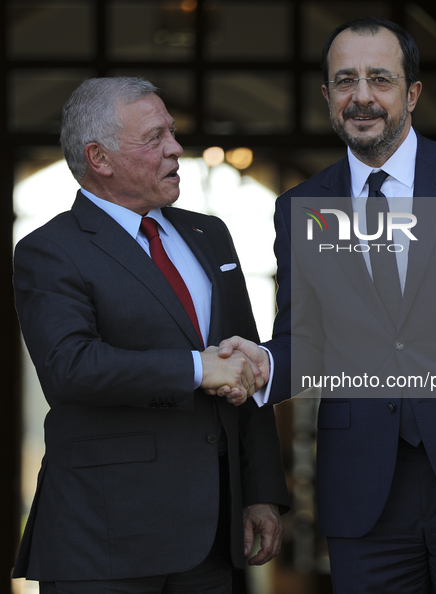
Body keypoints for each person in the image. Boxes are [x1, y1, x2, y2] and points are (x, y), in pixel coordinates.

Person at [217, 17, 436, 594]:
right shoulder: (301, 206)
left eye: (379, 79)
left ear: (411, 93)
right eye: (345, 81)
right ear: (327, 96)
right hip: (365, 491)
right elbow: (304, 340)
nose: (362, 96)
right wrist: (262, 366)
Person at [12, 77, 289, 594]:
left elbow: (244, 363)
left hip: (211, 537)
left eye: (174, 133)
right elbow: (70, 367)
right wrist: (196, 367)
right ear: (100, 157)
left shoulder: (210, 233)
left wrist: (260, 492)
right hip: (104, 535)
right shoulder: (48, 250)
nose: (176, 148)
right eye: (155, 137)